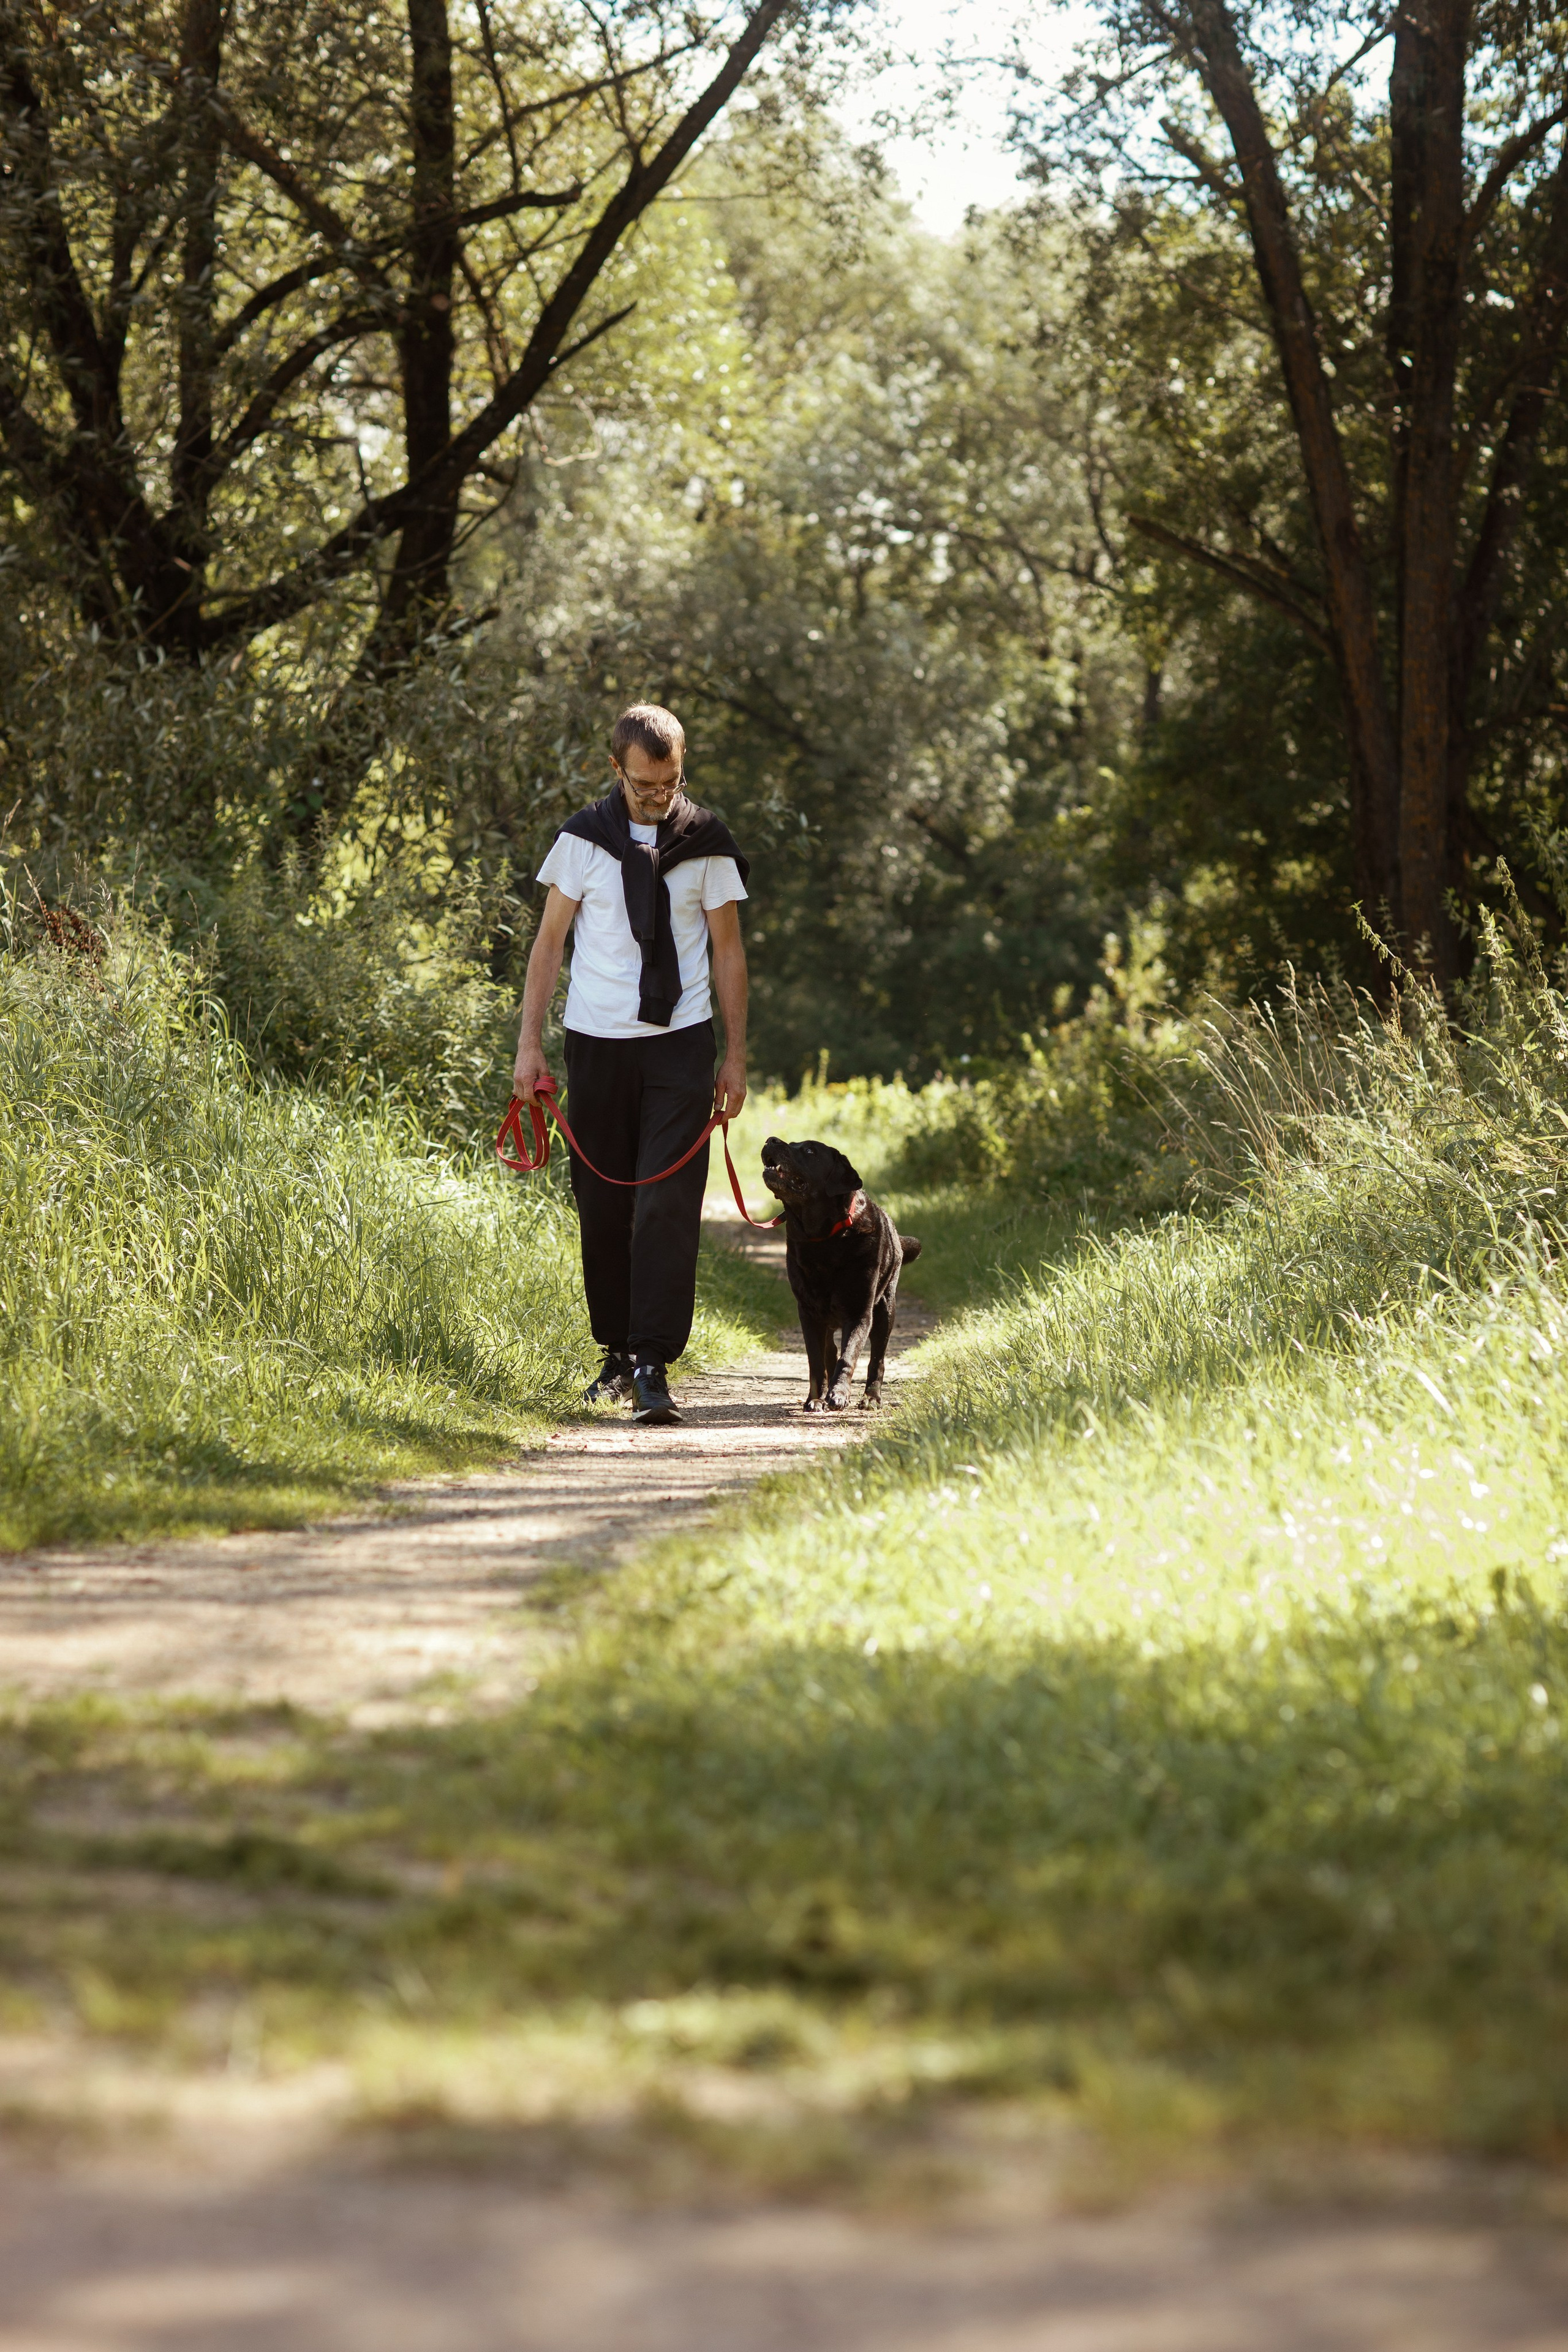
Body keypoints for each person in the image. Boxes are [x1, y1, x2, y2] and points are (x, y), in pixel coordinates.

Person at [512, 703, 749, 1425]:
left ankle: (653, 1361)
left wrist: (735, 1056)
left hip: (681, 1041)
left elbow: (728, 952)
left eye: (669, 782)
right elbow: (549, 946)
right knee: (604, 1205)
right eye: (644, 784)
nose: (657, 796)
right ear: (616, 770)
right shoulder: (583, 840)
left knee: (667, 1205)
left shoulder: (707, 840)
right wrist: (529, 1045)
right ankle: (615, 1354)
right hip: (597, 1040)